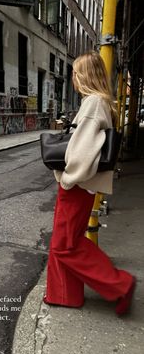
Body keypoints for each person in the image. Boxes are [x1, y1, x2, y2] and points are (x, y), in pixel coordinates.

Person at [44, 51, 136, 316]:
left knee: (65, 246)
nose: (72, 78)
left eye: (75, 73)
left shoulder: (93, 103)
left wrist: (67, 178)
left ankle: (121, 284)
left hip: (77, 186)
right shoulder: (100, 101)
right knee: (66, 242)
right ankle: (64, 295)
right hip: (85, 187)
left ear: (84, 75)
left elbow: (81, 153)